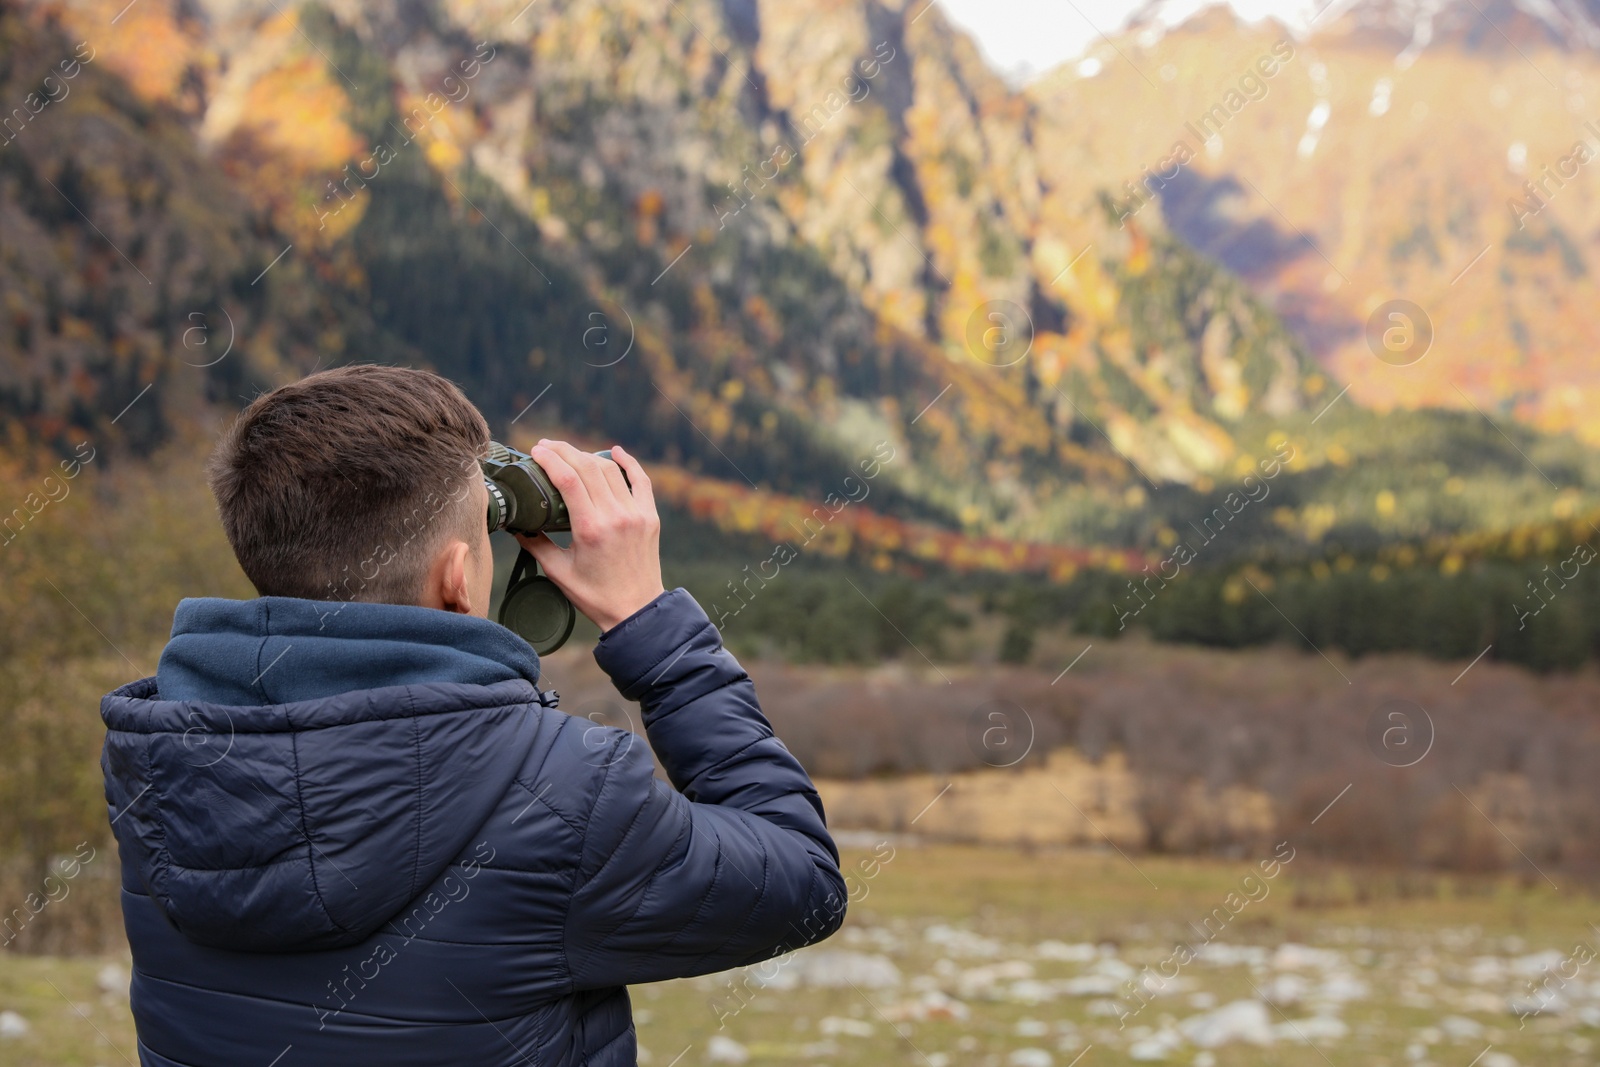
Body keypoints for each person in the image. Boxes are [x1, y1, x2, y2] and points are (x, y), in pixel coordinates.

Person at [99, 365, 846, 1065]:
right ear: (458, 579)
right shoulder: (563, 793)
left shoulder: (163, 758)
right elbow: (802, 880)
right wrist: (652, 626)